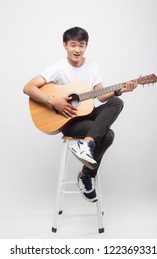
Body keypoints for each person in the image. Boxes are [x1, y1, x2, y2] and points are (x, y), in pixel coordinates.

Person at [23, 26, 137, 203]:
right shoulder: (58, 68)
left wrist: (118, 90)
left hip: (89, 114)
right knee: (108, 136)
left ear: (86, 46)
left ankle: (86, 146)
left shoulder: (93, 66)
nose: (77, 49)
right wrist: (53, 101)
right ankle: (86, 175)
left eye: (81, 45)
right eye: (73, 45)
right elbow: (28, 87)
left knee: (117, 102)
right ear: (65, 45)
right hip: (69, 121)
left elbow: (100, 95)